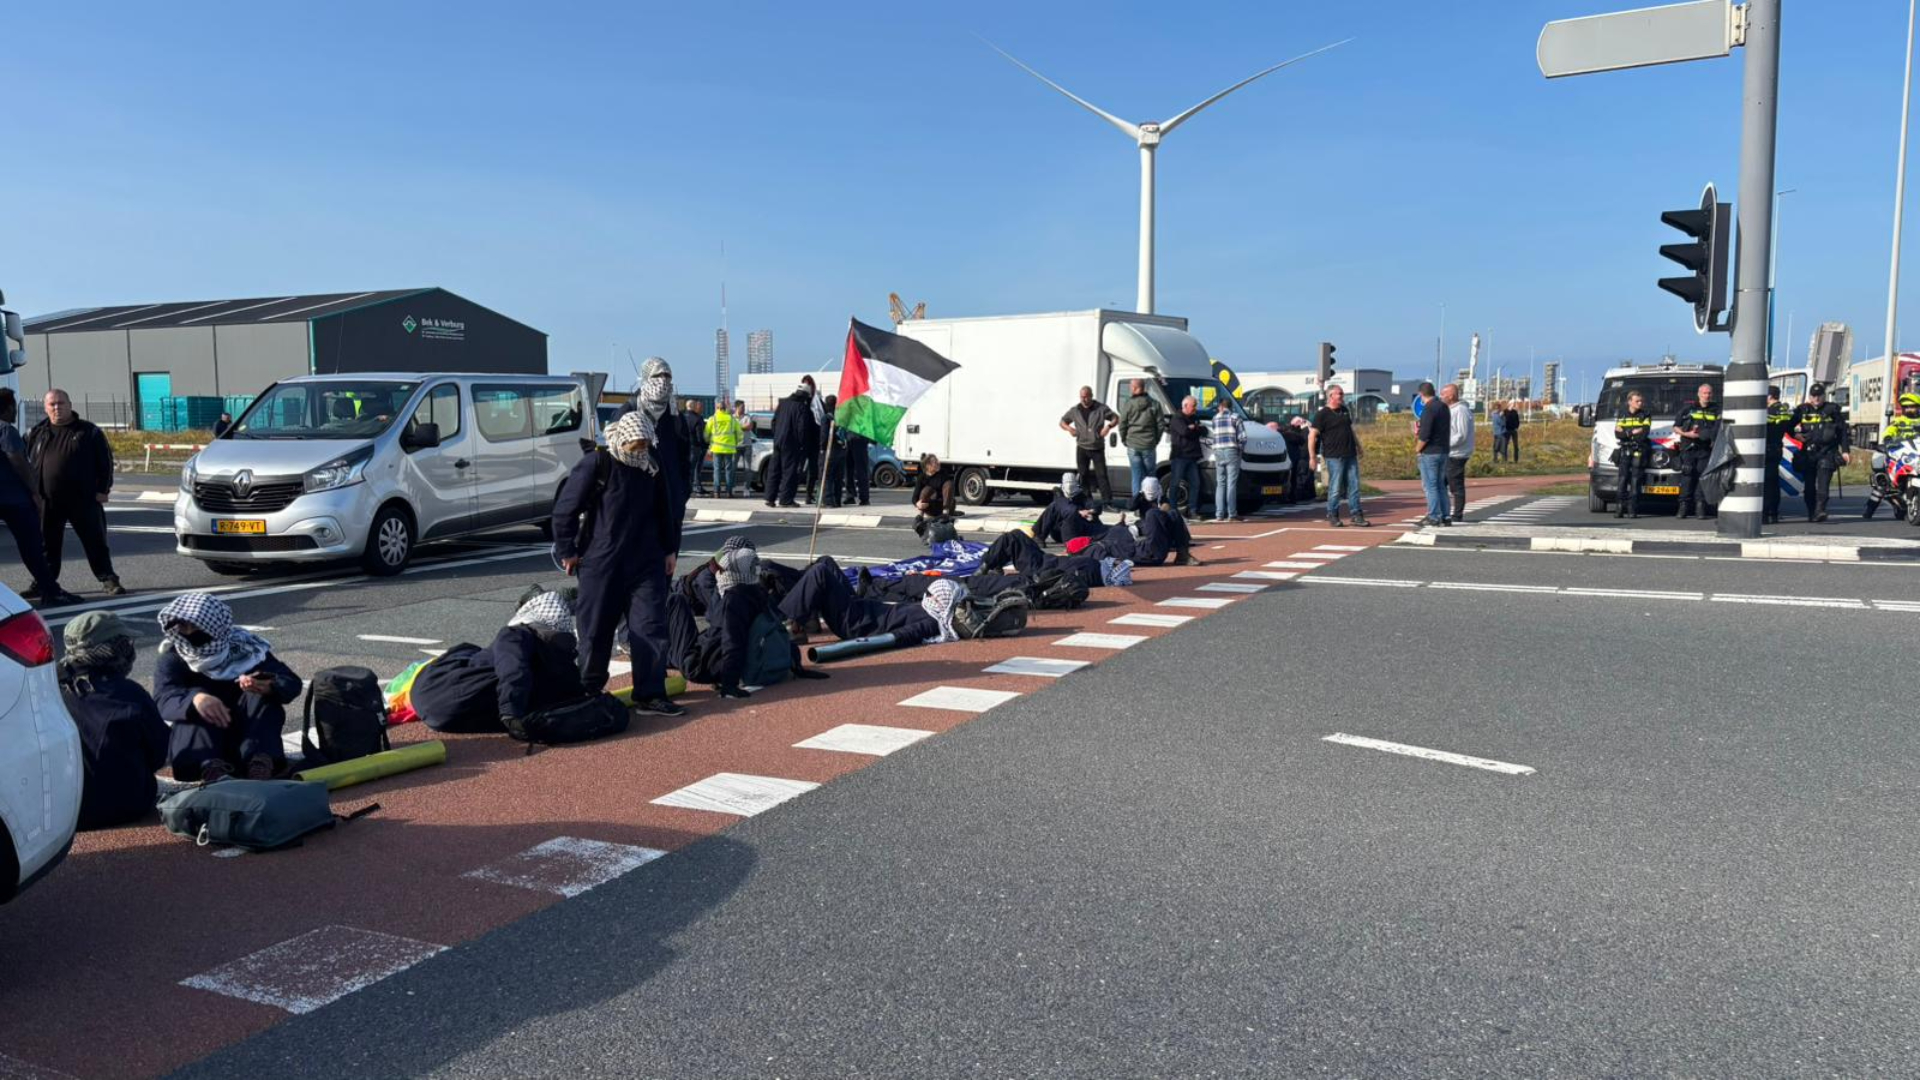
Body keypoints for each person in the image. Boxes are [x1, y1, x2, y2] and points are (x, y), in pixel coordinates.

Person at [552, 411, 685, 718]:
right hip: (602, 562)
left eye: (645, 445)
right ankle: (588, 690)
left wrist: (669, 550)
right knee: (596, 630)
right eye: (636, 446)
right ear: (622, 440)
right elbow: (565, 509)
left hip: (646, 561)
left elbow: (665, 509)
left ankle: (651, 694)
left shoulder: (651, 465)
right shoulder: (598, 463)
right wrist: (567, 550)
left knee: (650, 627)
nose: (640, 451)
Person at [154, 593, 303, 782]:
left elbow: (291, 682)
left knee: (260, 697)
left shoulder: (245, 648)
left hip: (248, 736)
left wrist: (269, 685)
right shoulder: (174, 657)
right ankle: (211, 770)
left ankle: (260, 764)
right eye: (183, 626)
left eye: (196, 626)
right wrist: (196, 699)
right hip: (203, 744)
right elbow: (163, 699)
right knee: (193, 708)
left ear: (215, 626)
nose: (189, 632)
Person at [410, 588, 587, 734]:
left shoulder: (516, 634)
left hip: (435, 696)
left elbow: (514, 669)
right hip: (467, 717)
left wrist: (511, 713)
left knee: (468, 651)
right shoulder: (566, 667)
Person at [668, 543, 827, 698]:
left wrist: (729, 684)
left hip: (700, 666)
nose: (720, 574)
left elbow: (732, 643)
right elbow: (779, 630)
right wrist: (796, 665)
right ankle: (665, 656)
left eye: (723, 570)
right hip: (733, 660)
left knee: (675, 601)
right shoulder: (759, 593)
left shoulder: (733, 600)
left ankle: (658, 660)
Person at [58, 611, 168, 829]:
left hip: (64, 811)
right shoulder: (129, 694)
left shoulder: (48, 688)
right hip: (128, 804)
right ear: (111, 650)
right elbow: (159, 753)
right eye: (123, 644)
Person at [27, 389, 124, 596]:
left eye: (61, 403)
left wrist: (103, 489)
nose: (57, 407)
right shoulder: (37, 432)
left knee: (95, 542)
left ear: (70, 405)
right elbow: (25, 461)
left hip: (83, 499)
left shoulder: (88, 431)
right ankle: (44, 582)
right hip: (47, 500)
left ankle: (108, 579)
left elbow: (105, 461)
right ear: (45, 408)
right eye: (52, 404)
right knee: (47, 545)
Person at [779, 556, 960, 645]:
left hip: (857, 623)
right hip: (862, 607)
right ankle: (807, 614)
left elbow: (905, 635)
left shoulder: (933, 621)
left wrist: (875, 642)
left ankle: (792, 626)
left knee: (820, 572)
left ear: (944, 604)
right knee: (826, 561)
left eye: (936, 595)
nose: (930, 595)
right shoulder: (927, 607)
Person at [0, 390, 68, 605]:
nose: (15, 413)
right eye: (14, 408)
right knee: (32, 547)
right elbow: (18, 461)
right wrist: (35, 492)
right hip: (14, 499)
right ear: (8, 408)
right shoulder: (6, 430)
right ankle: (51, 591)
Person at [630, 359, 690, 528]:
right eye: (657, 375)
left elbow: (684, 456)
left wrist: (683, 491)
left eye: (667, 376)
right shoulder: (631, 410)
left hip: (671, 498)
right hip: (640, 497)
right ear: (646, 377)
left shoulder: (675, 415)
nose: (663, 380)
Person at [1787, 382, 1850, 523]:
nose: (1816, 398)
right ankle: (1811, 512)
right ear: (1810, 396)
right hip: (1808, 453)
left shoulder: (1832, 410)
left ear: (1824, 396)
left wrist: (1845, 451)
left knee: (1823, 486)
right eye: (1814, 396)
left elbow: (1842, 432)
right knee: (1809, 487)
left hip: (1827, 452)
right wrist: (1795, 435)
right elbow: (1788, 426)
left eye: (1819, 395)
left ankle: (1820, 510)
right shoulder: (1802, 410)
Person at [1310, 386, 1369, 527]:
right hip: (1334, 456)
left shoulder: (1344, 410)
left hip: (1350, 453)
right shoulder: (1322, 414)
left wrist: (1358, 446)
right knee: (1335, 487)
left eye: (1342, 393)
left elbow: (1350, 430)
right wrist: (1312, 457)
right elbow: (1312, 436)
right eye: (1340, 394)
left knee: (1354, 486)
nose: (1342, 396)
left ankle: (1356, 514)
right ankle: (1333, 514)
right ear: (1331, 396)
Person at [1059, 386, 1120, 510]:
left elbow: (1115, 418)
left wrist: (1108, 427)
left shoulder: (1101, 409)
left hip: (1097, 447)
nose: (1084, 399)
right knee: (1083, 475)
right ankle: (1087, 501)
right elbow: (1062, 422)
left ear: (1091, 396)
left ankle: (1107, 502)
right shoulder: (1075, 410)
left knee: (1102, 475)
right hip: (1082, 447)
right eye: (1082, 397)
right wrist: (1069, 429)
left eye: (1086, 397)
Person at [1864, 393, 1920, 518]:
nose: (1909, 409)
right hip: (1901, 453)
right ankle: (1869, 510)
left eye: (1912, 406)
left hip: (1917, 453)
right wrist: (1888, 439)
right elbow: (1889, 432)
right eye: (1906, 407)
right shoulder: (1898, 422)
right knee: (1882, 482)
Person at [1672, 382, 1721, 519]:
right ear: (1699, 394)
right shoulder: (1688, 409)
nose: (1707, 395)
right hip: (1688, 447)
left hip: (1705, 449)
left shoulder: (1716, 410)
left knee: (1702, 477)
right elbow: (1675, 427)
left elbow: (1718, 428)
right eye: (1704, 393)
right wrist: (1687, 434)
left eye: (1709, 393)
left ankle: (1700, 506)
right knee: (1687, 476)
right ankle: (1683, 507)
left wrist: (1706, 435)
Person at [767, 379, 817, 508]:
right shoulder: (801, 407)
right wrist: (802, 444)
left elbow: (773, 422)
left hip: (778, 441)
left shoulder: (782, 403)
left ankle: (770, 498)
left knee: (775, 470)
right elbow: (802, 428)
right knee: (790, 472)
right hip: (791, 444)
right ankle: (786, 499)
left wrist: (777, 436)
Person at [1117, 379, 1165, 501]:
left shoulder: (1128, 404)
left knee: (1136, 476)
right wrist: (1155, 440)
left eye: (1130, 387)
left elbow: (1122, 424)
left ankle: (1136, 503)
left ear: (1135, 388)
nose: (1129, 389)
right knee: (1150, 476)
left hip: (1133, 444)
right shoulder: (1154, 404)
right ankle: (1151, 502)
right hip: (1149, 444)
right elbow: (1160, 425)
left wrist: (1124, 439)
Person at [1413, 382, 1451, 526]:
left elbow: (1425, 434)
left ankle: (1434, 516)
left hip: (1430, 452)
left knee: (1431, 485)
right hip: (1443, 450)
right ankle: (1446, 516)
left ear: (1421, 394)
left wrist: (1418, 449)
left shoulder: (1429, 408)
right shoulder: (1443, 407)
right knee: (1441, 485)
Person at [1613, 390, 1654, 519]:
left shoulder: (1645, 414)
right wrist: (1632, 432)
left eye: (1641, 401)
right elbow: (1617, 434)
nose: (1640, 403)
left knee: (1636, 481)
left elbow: (1644, 433)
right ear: (1629, 402)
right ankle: (1620, 508)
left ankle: (1632, 509)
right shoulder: (1622, 414)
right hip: (1625, 450)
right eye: (1637, 401)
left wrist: (1626, 432)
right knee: (1622, 479)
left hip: (1639, 450)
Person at [1034, 471, 1104, 547]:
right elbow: (1067, 508)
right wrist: (1079, 512)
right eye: (1067, 482)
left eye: (1071, 482)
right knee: (1054, 506)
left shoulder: (1081, 495)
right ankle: (1039, 535)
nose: (1069, 485)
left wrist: (1089, 511)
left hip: (1078, 530)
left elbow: (1095, 505)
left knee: (1096, 520)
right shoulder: (1059, 496)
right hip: (1059, 530)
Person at [1165, 396, 1207, 519]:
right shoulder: (1177, 418)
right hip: (1180, 456)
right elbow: (1185, 432)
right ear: (1185, 406)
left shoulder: (1194, 418)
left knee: (1196, 484)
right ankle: (1173, 510)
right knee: (1175, 483)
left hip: (1192, 457)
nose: (1195, 408)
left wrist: (1195, 428)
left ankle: (1192, 510)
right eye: (1193, 406)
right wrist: (1193, 429)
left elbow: (1204, 430)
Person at [1441, 384, 1475, 523]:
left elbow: (1461, 434)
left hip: (1457, 454)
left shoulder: (1461, 410)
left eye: (1444, 394)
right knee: (1440, 483)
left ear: (1451, 396)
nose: (1441, 397)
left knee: (1455, 485)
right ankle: (1442, 512)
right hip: (1450, 453)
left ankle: (1457, 515)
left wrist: (1444, 444)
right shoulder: (1451, 410)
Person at [1211, 398, 1246, 522]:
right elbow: (1242, 437)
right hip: (1231, 450)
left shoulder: (1215, 418)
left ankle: (1219, 514)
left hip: (1218, 451)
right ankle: (1232, 514)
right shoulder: (1236, 417)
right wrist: (1240, 450)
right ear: (1231, 407)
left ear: (1221, 406)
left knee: (1220, 483)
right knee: (1231, 483)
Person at [1763, 386, 1793, 524]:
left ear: (1769, 396)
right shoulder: (1784, 410)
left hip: (1767, 448)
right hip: (1777, 448)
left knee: (1767, 483)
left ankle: (1765, 513)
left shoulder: (1768, 412)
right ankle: (1773, 513)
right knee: (1774, 482)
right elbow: (1788, 427)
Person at [705, 395, 744, 498]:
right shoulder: (732, 419)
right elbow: (740, 434)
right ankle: (728, 492)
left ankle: (716, 492)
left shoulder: (712, 419)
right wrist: (736, 443)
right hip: (729, 449)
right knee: (728, 470)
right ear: (725, 408)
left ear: (717, 408)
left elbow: (706, 434)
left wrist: (709, 443)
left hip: (716, 448)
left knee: (717, 470)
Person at [912, 453, 956, 536]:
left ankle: (945, 515)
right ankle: (919, 518)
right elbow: (914, 497)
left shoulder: (943, 473)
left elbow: (946, 495)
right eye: (935, 462)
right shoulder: (922, 477)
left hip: (942, 507)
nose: (938, 462)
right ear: (928, 466)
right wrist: (918, 504)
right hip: (930, 508)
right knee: (926, 490)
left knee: (949, 483)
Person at [820, 394, 848, 508]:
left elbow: (824, 435)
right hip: (840, 450)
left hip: (830, 450)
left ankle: (828, 501)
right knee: (838, 477)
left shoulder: (826, 418)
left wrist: (822, 448)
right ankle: (837, 500)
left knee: (827, 476)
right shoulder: (841, 418)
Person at [682, 399, 710, 497]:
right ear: (694, 406)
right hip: (695, 446)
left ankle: (687, 486)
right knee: (695, 467)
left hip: (685, 446)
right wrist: (704, 445)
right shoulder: (697, 419)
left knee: (687, 467)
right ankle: (694, 487)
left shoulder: (682, 417)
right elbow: (699, 435)